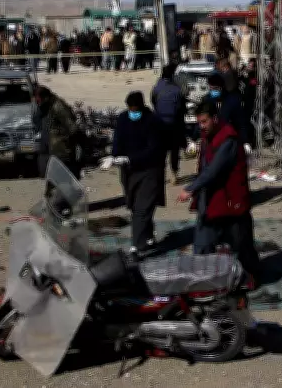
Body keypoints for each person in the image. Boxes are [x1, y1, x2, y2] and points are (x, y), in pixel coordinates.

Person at [177, 100, 260, 278]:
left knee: (241, 243)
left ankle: (249, 276)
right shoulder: (208, 136)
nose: (201, 126)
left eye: (204, 122)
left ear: (214, 119)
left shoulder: (228, 139)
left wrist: (191, 188)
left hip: (230, 199)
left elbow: (213, 170)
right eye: (199, 122)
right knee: (203, 241)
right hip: (211, 198)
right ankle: (205, 276)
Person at [111, 91, 166, 250]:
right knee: (135, 206)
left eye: (135, 110)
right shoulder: (123, 118)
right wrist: (114, 157)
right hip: (129, 172)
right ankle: (147, 236)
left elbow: (154, 149)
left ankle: (137, 246)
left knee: (142, 207)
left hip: (149, 170)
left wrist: (129, 158)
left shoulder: (153, 122)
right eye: (130, 109)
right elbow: (118, 140)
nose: (133, 113)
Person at [32, 86, 81, 179]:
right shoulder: (45, 107)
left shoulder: (58, 107)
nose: (37, 103)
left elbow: (72, 128)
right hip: (49, 148)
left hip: (61, 150)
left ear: (46, 98)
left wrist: (69, 144)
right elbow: (38, 121)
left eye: (38, 100)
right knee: (51, 177)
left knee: (64, 178)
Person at [151, 62, 186, 184]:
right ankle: (174, 174)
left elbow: (153, 102)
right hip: (174, 123)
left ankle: (159, 174)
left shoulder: (157, 87)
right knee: (174, 150)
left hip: (160, 123)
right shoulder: (177, 89)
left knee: (161, 151)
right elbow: (182, 108)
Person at [205, 73, 250, 152]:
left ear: (221, 87)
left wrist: (245, 141)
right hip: (212, 140)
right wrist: (194, 139)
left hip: (229, 139)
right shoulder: (207, 100)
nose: (213, 91)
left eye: (215, 88)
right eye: (211, 89)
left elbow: (241, 123)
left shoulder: (233, 100)